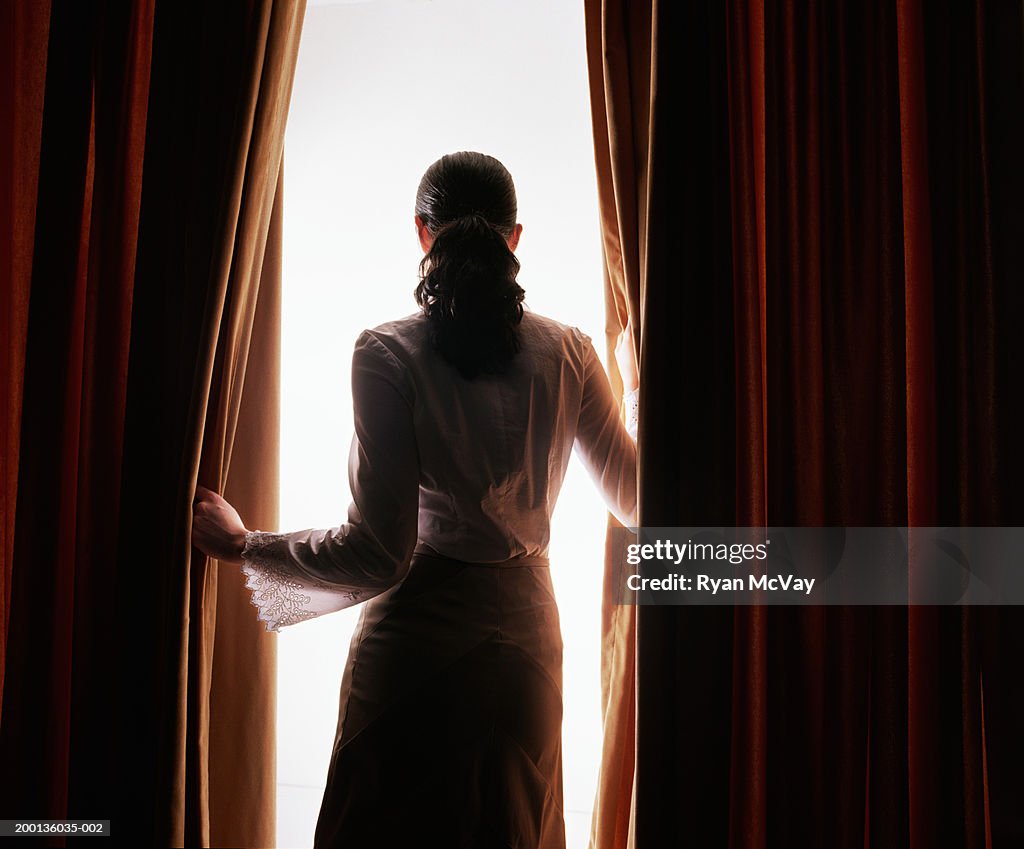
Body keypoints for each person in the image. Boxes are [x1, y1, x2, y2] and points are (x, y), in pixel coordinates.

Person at [191, 151, 639, 849]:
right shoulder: (572, 352)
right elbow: (641, 501)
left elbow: (377, 552)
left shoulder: (386, 353)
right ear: (515, 237)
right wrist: (639, 394)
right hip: (526, 650)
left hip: (416, 653)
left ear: (422, 233)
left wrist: (245, 545)